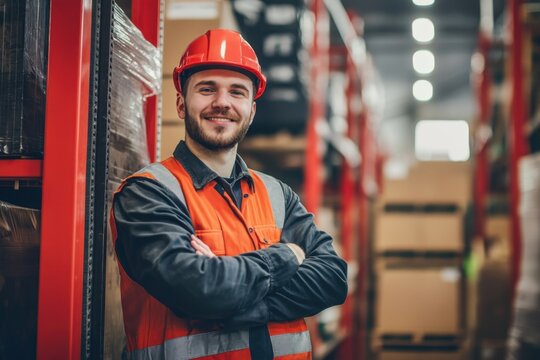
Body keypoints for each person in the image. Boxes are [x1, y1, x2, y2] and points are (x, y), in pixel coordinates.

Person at [111, 28, 348, 360]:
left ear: (251, 110)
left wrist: (236, 305)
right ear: (181, 103)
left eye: (237, 92)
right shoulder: (148, 193)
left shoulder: (278, 195)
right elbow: (199, 290)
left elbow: (333, 279)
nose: (222, 102)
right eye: (207, 89)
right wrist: (289, 256)